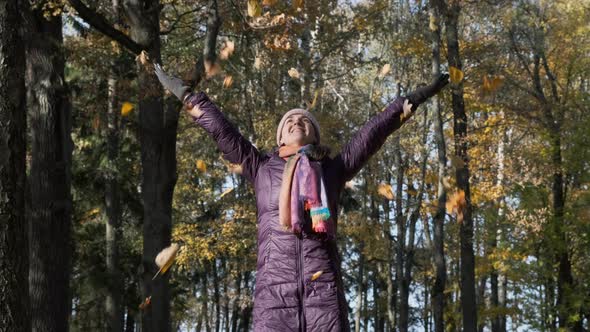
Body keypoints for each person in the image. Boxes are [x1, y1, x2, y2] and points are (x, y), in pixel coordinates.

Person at [155, 64, 449, 331]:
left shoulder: (332, 170)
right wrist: (187, 95)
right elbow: (222, 131)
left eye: (304, 120)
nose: (297, 121)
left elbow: (371, 134)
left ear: (315, 137)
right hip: (274, 297)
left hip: (323, 296)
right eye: (290, 121)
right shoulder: (260, 167)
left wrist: (415, 97)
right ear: (280, 138)